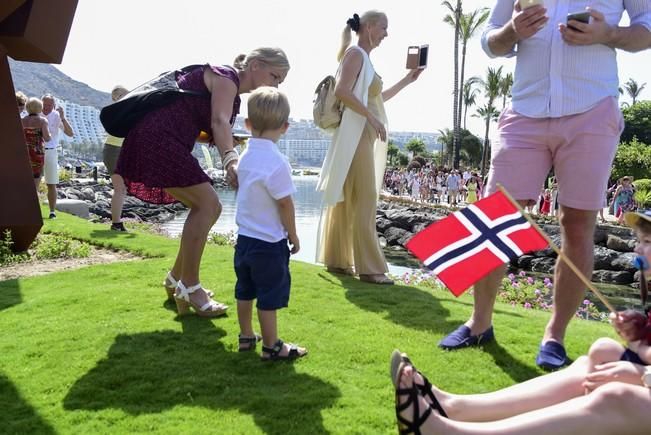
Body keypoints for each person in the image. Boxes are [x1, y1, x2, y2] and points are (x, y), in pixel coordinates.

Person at [439, 1, 651, 370]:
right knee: (495, 219)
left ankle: (554, 335)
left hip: (593, 109)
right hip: (525, 110)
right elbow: (490, 41)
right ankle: (479, 322)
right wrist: (513, 32)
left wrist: (609, 34)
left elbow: (647, 27)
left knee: (577, 225)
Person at [115, 48, 290, 317]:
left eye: (280, 81)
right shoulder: (226, 78)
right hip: (157, 139)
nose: (276, 85)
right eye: (275, 76)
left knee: (209, 206)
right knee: (208, 205)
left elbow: (197, 121)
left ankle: (176, 280)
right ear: (255, 65)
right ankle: (189, 286)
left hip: (160, 138)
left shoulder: (227, 86)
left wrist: (220, 139)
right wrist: (231, 159)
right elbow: (219, 121)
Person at [316, 10, 423, 285]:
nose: (387, 34)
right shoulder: (355, 55)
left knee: (351, 196)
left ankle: (338, 260)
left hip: (360, 133)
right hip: (356, 134)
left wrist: (407, 80)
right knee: (365, 198)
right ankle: (370, 269)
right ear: (370, 27)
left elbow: (377, 99)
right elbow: (342, 90)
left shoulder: (362, 58)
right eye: (384, 28)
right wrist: (371, 118)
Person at [233, 87, 307, 361]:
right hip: (269, 242)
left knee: (245, 289)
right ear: (285, 127)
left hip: (244, 240)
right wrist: (294, 234)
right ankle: (272, 346)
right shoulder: (277, 162)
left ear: (248, 124)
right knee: (268, 294)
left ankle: (246, 335)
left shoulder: (246, 157)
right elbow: (285, 203)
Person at [41, 94, 74, 219]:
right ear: (41, 104)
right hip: (36, 150)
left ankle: (52, 211)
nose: (47, 108)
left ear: (53, 106)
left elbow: (70, 134)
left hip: (51, 151)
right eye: (45, 105)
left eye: (50, 105)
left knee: (52, 183)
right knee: (33, 180)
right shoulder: (36, 114)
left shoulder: (56, 116)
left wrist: (63, 118)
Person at [102, 85, 129, 232]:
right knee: (120, 189)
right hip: (114, 151)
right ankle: (116, 224)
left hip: (115, 151)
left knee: (121, 189)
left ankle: (116, 223)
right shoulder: (120, 111)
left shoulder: (121, 111)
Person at [21, 97, 51, 188]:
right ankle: (34, 198)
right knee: (36, 177)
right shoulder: (43, 121)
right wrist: (50, 134)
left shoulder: (22, 120)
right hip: (37, 153)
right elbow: (47, 138)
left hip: (24, 152)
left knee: (24, 176)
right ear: (40, 108)